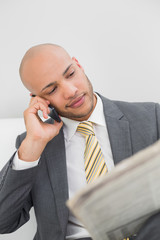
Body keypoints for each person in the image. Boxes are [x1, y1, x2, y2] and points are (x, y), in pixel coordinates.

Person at [0, 43, 160, 240]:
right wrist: (33, 146)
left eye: (70, 74)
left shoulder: (151, 117)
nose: (70, 91)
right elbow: (3, 222)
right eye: (51, 90)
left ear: (78, 65)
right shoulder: (33, 146)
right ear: (38, 99)